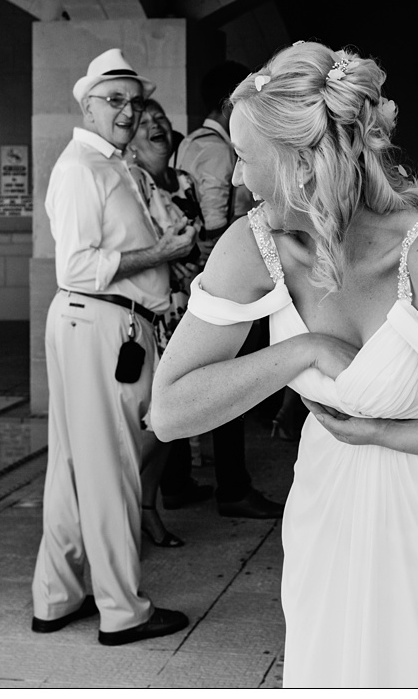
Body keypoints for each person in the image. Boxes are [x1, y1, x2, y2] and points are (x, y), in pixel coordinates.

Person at [149, 42, 418, 686]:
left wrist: (383, 433)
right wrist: (300, 348)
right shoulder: (252, 245)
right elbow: (170, 411)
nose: (235, 178)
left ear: (303, 165)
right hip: (329, 503)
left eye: (244, 159)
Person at [33, 48, 196, 646]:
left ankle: (57, 597)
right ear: (87, 105)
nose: (127, 111)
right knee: (111, 471)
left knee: (77, 468)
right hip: (100, 323)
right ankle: (123, 610)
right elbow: (75, 267)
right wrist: (164, 255)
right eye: (114, 100)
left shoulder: (113, 165)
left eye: (134, 100)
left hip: (104, 324)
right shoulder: (83, 167)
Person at [167, 62, 286, 519]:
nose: (239, 170)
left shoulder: (190, 146)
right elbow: (216, 215)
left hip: (192, 276)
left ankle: (182, 480)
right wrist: (238, 256)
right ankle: (233, 488)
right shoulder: (218, 151)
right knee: (227, 381)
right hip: (223, 276)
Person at [124, 99, 202, 547]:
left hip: (190, 309)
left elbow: (199, 239)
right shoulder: (129, 185)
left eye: (161, 120)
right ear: (131, 138)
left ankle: (146, 505)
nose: (155, 126)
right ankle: (116, 500)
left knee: (170, 422)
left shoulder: (184, 181)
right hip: (154, 314)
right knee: (156, 418)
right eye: (144, 122)